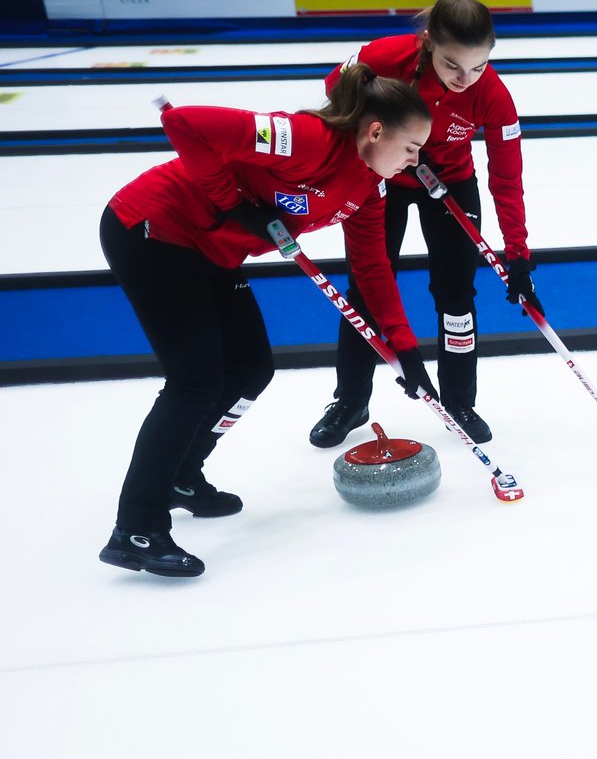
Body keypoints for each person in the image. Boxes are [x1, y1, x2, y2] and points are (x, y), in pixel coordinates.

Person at [99, 68, 433, 578]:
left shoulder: (369, 190)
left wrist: (405, 348)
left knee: (251, 368)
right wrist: (233, 205)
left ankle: (181, 476)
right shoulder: (307, 139)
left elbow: (372, 268)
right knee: (195, 381)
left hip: (210, 251)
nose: (416, 161)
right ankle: (137, 529)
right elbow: (188, 124)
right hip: (152, 229)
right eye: (411, 147)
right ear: (375, 132)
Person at [309, 0, 535, 451]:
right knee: (366, 288)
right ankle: (350, 399)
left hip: (449, 185)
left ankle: (459, 400)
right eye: (452, 65)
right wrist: (377, 133)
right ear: (427, 42)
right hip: (380, 181)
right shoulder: (387, 55)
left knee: (457, 295)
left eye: (478, 67)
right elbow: (334, 91)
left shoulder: (492, 95)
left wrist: (517, 251)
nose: (463, 79)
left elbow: (507, 176)